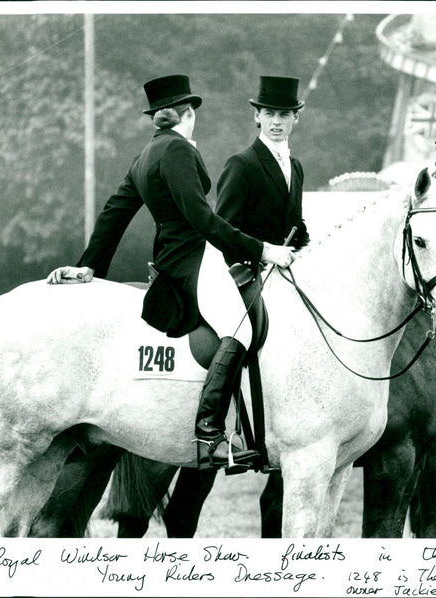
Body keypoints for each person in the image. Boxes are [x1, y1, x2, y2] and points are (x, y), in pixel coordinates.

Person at [46, 74, 295, 470]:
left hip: (168, 263)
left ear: (157, 117)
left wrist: (88, 267)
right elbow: (202, 219)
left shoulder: (146, 154)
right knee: (241, 328)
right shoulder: (178, 151)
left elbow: (115, 212)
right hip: (195, 261)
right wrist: (263, 249)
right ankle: (210, 434)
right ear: (189, 112)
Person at [215, 75, 310, 266]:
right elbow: (223, 230)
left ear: (296, 117)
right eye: (269, 113)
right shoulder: (241, 164)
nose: (276, 122)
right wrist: (264, 254)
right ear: (257, 116)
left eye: (284, 114)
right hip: (250, 275)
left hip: (288, 275)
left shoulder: (295, 166)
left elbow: (295, 226)